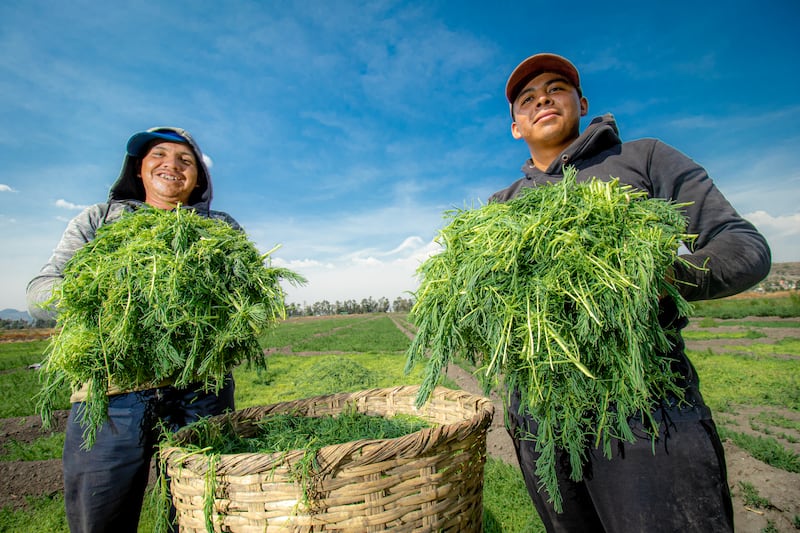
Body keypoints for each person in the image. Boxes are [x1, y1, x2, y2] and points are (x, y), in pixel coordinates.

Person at [492, 54, 771, 532]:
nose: (541, 98)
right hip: (540, 421)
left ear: (581, 103)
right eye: (526, 98)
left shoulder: (642, 159)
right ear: (516, 126)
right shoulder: (503, 207)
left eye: (555, 88)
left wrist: (660, 279)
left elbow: (744, 246)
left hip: (644, 407)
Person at [27, 127, 239, 533]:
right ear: (139, 169)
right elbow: (41, 293)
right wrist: (108, 294)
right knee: (100, 518)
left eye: (186, 160)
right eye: (158, 155)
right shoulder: (101, 220)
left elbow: (244, 299)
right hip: (110, 398)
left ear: (198, 177)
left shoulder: (218, 228)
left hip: (199, 394)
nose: (171, 165)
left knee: (204, 515)